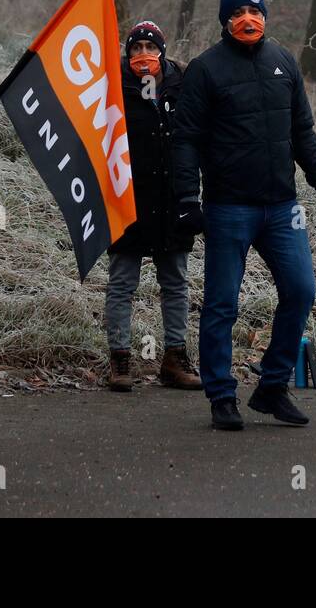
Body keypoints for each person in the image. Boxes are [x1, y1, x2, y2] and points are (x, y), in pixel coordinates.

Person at [172, 0, 316, 431]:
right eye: (238, 12)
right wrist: (188, 200)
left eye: (255, 11)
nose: (248, 18)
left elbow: (302, 131)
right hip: (229, 208)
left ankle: (271, 386)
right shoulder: (205, 70)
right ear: (224, 20)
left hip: (283, 208)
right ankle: (221, 395)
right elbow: (186, 141)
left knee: (302, 290)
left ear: (266, 17)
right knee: (222, 304)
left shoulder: (284, 62)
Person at [104, 20, 201, 392]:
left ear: (162, 49)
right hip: (126, 200)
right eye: (135, 48)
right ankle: (120, 360)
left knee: (175, 282)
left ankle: (174, 359)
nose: (143, 55)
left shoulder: (183, 84)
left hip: (173, 200)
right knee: (122, 283)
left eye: (150, 47)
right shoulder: (113, 88)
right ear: (127, 54)